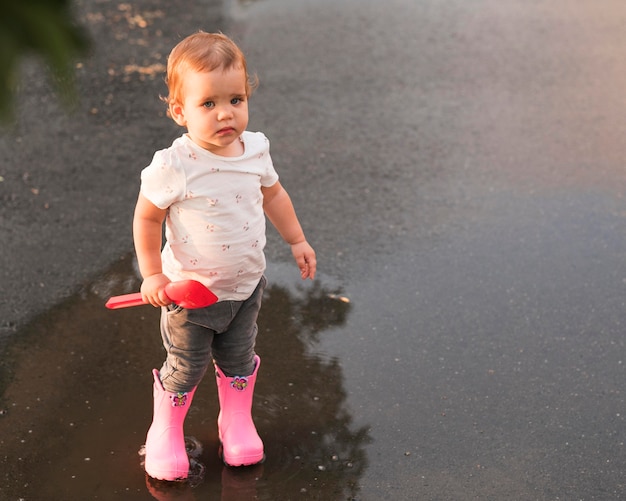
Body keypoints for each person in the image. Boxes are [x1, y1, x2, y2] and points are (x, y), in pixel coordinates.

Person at [133, 31, 316, 482]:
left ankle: (235, 421)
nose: (225, 113)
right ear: (180, 112)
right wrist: (152, 274)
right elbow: (147, 220)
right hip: (188, 297)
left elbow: (273, 196)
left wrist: (296, 240)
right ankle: (166, 430)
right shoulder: (174, 164)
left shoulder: (255, 149)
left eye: (236, 99)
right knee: (186, 366)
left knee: (238, 358)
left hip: (244, 288)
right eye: (208, 104)